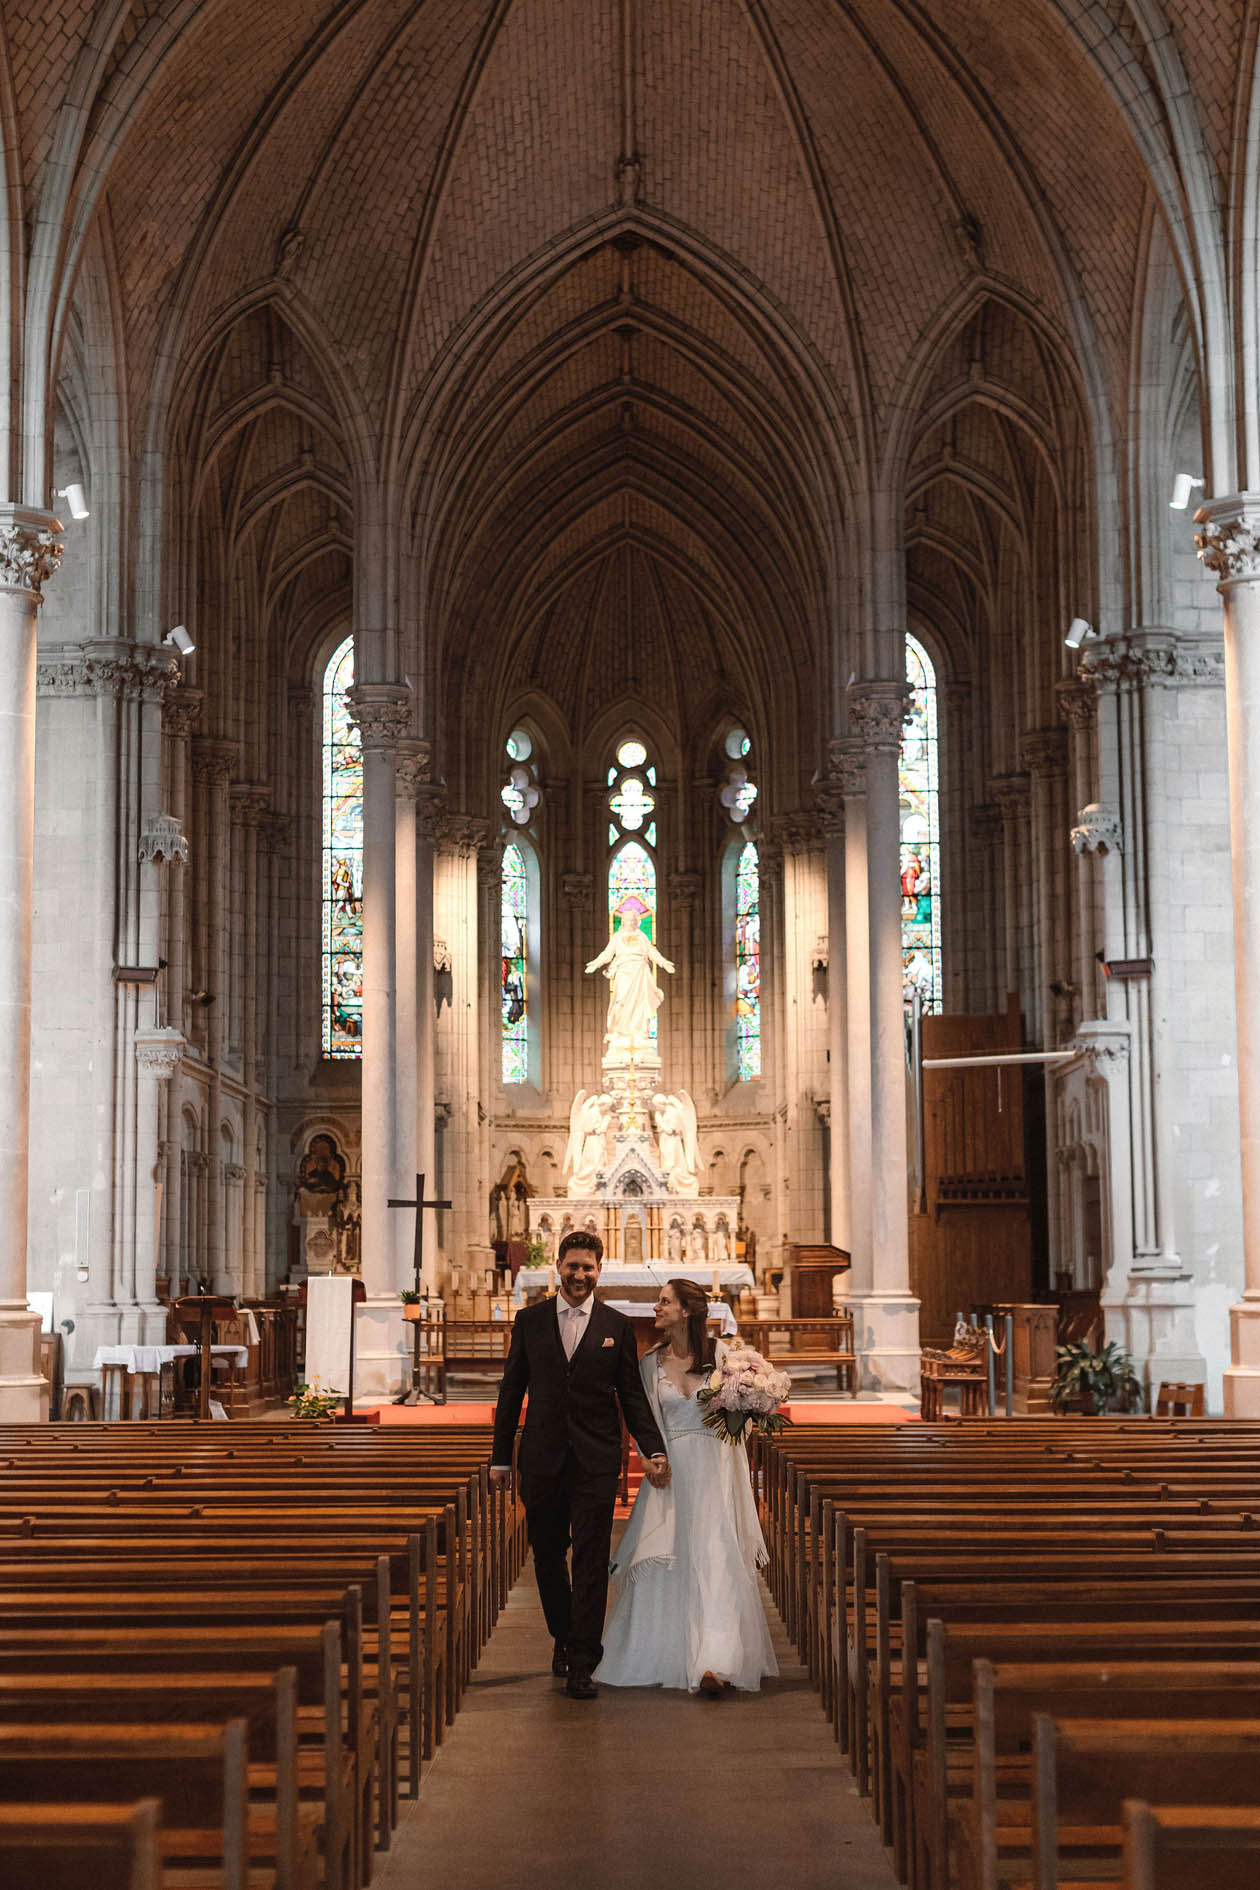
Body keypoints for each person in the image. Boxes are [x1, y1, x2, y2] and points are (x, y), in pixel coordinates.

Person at [490, 1230, 670, 1700]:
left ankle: (583, 1660)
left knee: (591, 1561)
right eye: (573, 1266)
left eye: (588, 1267)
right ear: (558, 1266)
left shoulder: (615, 1324)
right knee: (548, 1559)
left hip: (595, 1459)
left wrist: (651, 1448)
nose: (580, 1275)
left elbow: (631, 1396)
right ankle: (562, 1636)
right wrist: (499, 1459)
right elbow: (511, 1393)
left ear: (599, 1270)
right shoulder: (529, 1321)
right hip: (543, 1459)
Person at [595, 1277, 777, 1695]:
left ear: (687, 1310)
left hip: (714, 1468)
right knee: (670, 1553)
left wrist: (754, 1406)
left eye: (664, 1303)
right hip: (672, 1470)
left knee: (713, 1555)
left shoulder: (725, 1357)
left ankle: (717, 1660)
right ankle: (665, 1651)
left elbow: (743, 1419)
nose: (656, 1309)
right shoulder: (649, 1362)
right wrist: (647, 1457)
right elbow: (643, 1420)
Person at [584, 909, 675, 1050]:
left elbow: (651, 951)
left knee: (640, 1003)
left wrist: (663, 962)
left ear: (636, 922)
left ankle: (641, 1033)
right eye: (627, 920)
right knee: (621, 1002)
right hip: (624, 973)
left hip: (640, 972)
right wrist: (596, 963)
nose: (630, 923)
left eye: (633, 920)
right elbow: (607, 954)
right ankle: (621, 1032)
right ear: (623, 922)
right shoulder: (617, 937)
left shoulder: (641, 936)